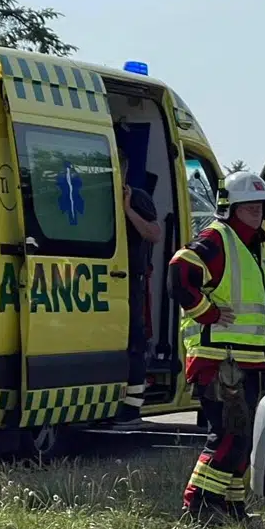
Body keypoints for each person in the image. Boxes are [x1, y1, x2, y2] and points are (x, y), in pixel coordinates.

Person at [168, 170, 265, 524]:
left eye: (260, 207)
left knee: (243, 438)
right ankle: (199, 503)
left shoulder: (254, 246)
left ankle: (231, 506)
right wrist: (207, 312)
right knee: (228, 435)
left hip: (248, 359)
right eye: (249, 207)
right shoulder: (217, 238)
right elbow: (179, 273)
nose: (256, 213)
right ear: (229, 208)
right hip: (219, 358)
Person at [113, 152, 162, 430]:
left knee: (134, 342)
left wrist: (129, 210)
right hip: (107, 279)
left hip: (132, 281)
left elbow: (154, 233)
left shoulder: (137, 197)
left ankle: (131, 410)